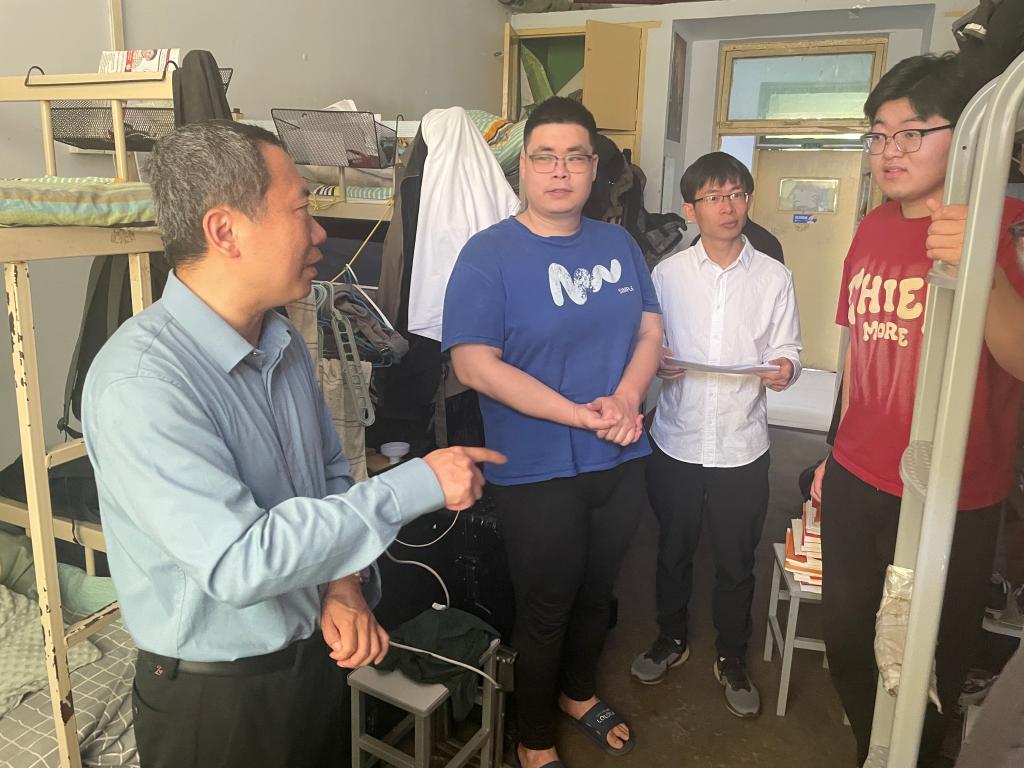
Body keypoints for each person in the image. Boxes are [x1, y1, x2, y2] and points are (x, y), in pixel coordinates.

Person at [81, 120, 503, 768]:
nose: (318, 234)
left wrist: (342, 585)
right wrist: (417, 483)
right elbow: (239, 561)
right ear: (225, 231)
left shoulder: (282, 344)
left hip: (313, 662)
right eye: (301, 210)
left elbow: (329, 472)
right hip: (220, 704)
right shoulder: (141, 385)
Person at [809, 53, 1024, 766]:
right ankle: (875, 753)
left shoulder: (1011, 224)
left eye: (911, 132)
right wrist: (831, 452)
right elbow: (857, 351)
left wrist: (983, 267)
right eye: (878, 135)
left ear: (964, 136)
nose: (889, 151)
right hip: (857, 476)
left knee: (929, 664)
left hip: (952, 492)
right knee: (847, 642)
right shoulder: (872, 226)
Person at [441, 96, 662, 768]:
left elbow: (650, 329)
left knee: (599, 593)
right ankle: (533, 740)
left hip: (620, 456)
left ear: (594, 168)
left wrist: (626, 398)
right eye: (544, 157)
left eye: (574, 157)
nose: (560, 171)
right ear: (524, 169)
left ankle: (577, 694)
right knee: (546, 607)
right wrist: (579, 414)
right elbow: (473, 364)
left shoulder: (618, 244)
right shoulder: (488, 254)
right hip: (536, 469)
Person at [630, 151, 802, 719]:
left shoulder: (773, 276)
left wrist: (786, 367)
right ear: (691, 209)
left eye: (736, 195)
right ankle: (670, 638)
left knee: (735, 560)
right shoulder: (667, 275)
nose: (727, 207)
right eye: (713, 197)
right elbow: (647, 342)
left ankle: (732, 655)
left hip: (741, 443)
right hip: (676, 439)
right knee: (672, 550)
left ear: (748, 201)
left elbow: (788, 347)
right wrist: (657, 361)